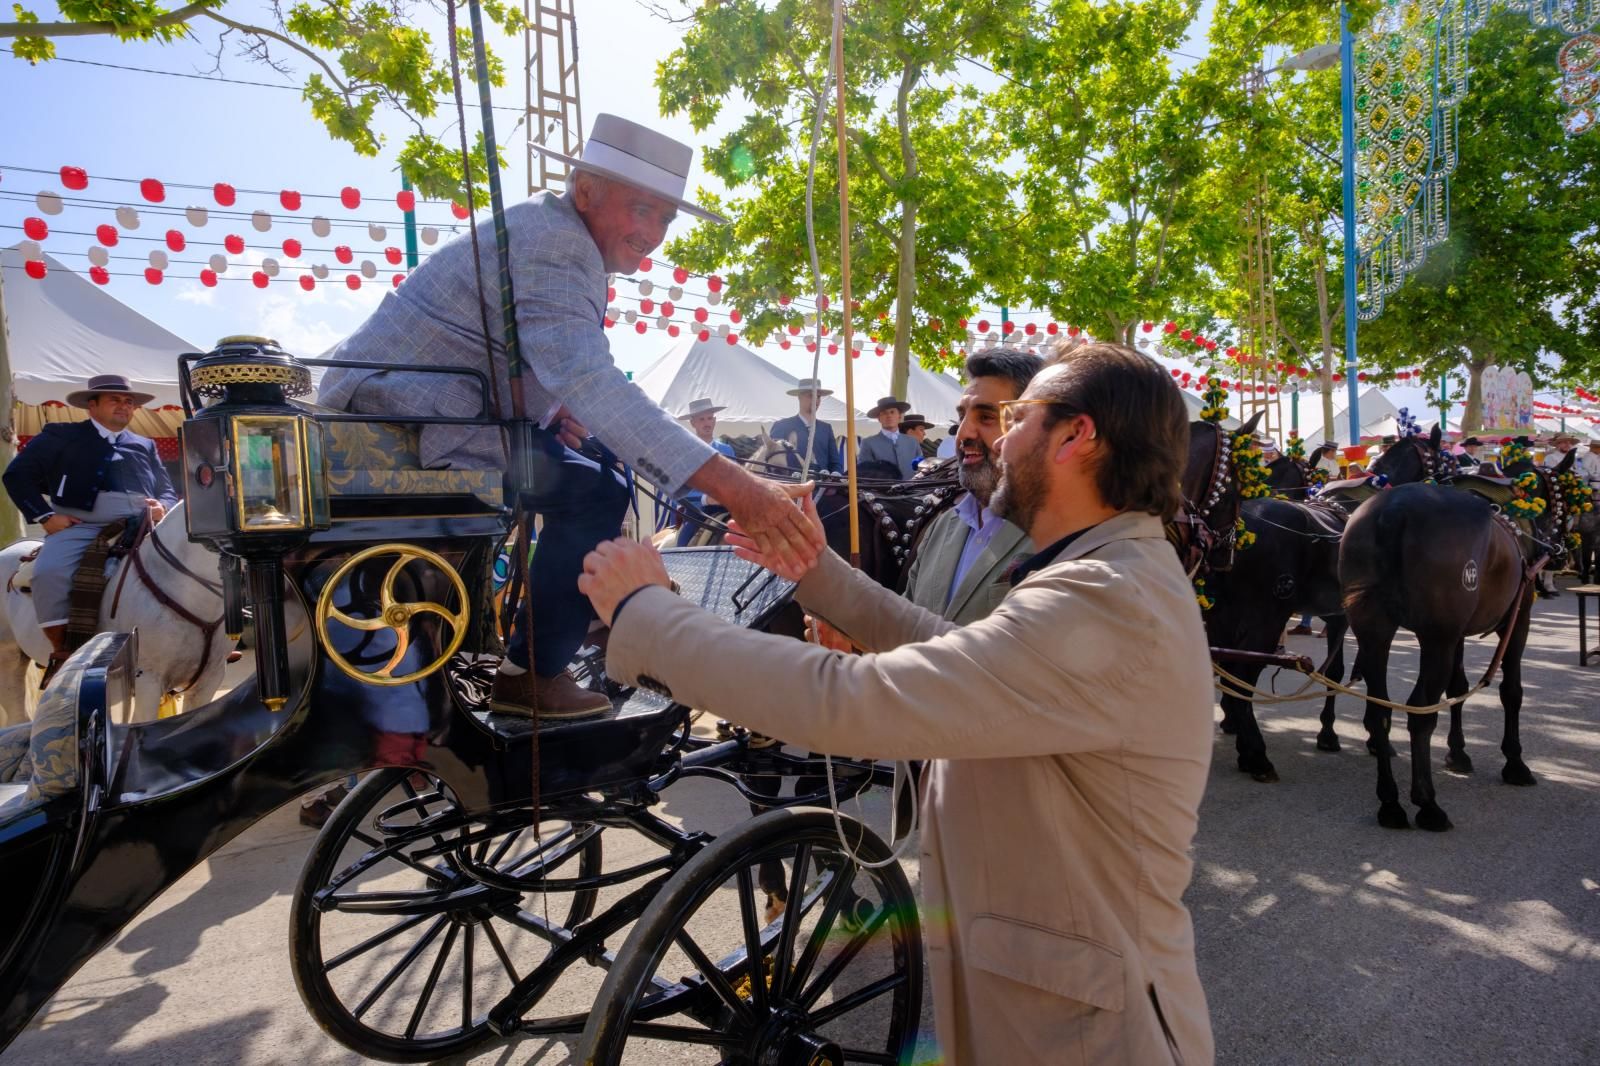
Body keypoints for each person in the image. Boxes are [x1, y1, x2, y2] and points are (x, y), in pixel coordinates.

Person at [580, 342, 1216, 1065]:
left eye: (1015, 417)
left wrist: (649, 616)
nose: (995, 440)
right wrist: (816, 573)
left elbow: (861, 699)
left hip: (1085, 1033)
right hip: (1055, 1006)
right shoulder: (1104, 573)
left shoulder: (1105, 596)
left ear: (1077, 436)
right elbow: (950, 650)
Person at [315, 114, 821, 716]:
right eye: (641, 210)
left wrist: (548, 412)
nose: (653, 233)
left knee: (598, 475)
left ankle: (567, 622)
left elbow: (532, 357)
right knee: (593, 492)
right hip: (406, 415)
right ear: (585, 191)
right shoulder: (559, 243)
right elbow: (591, 382)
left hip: (441, 406)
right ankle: (531, 674)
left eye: (665, 218)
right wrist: (739, 489)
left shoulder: (550, 229)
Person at [3, 374, 179, 677]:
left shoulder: (144, 444)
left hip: (143, 525)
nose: (124, 406)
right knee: (48, 573)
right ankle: (64, 652)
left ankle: (205, 642)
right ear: (91, 405)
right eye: (115, 400)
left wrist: (162, 506)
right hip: (82, 526)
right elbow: (16, 475)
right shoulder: (61, 435)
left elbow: (166, 489)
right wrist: (45, 516)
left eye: (129, 402)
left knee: (194, 564)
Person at [904, 349, 1040, 622]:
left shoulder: (1059, 537)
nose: (963, 433)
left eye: (986, 417)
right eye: (962, 417)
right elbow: (903, 627)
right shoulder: (941, 528)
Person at [674, 398, 735, 546]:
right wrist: (705, 499)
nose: (707, 423)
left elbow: (736, 481)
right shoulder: (684, 452)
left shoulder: (727, 450)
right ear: (692, 423)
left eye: (709, 418)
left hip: (728, 510)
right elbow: (677, 489)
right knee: (683, 544)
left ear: (715, 420)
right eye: (701, 419)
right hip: (697, 512)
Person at [769, 379, 841, 477]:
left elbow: (835, 462)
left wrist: (836, 474)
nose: (816, 400)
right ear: (800, 397)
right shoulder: (782, 426)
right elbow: (773, 460)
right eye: (811, 396)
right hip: (792, 482)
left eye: (818, 396)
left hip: (823, 483)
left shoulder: (826, 428)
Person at [857, 395, 919, 478]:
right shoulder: (868, 443)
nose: (889, 415)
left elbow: (921, 468)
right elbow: (864, 473)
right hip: (882, 486)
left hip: (912, 486)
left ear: (899, 416)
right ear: (879, 418)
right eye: (884, 413)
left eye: (892, 412)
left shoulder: (912, 442)